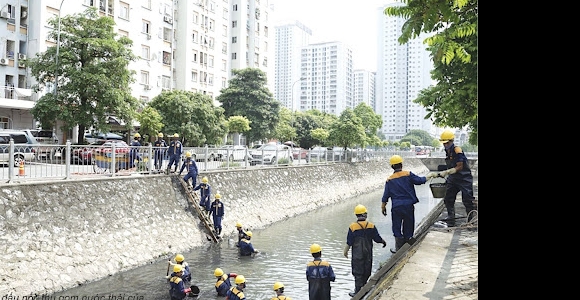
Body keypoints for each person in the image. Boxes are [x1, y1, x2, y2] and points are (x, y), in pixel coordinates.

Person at [381, 155, 438, 253]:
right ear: (401, 164)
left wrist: (383, 207)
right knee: (409, 223)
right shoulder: (408, 174)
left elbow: (386, 196)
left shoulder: (389, 180)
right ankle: (408, 241)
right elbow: (420, 181)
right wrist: (430, 176)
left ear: (392, 167)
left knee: (396, 226)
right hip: (408, 205)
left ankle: (398, 247)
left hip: (397, 207)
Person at [343, 204, 387, 297]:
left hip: (357, 255)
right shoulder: (371, 226)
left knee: (357, 272)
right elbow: (377, 238)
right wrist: (383, 242)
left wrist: (345, 251)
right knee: (367, 271)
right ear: (365, 215)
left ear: (356, 215)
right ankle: (365, 288)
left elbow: (349, 241)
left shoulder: (353, 227)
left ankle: (357, 292)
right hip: (368, 254)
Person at [437, 130, 477, 227]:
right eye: (444, 143)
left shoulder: (457, 150)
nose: (445, 145)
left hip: (464, 178)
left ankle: (471, 220)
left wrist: (447, 172)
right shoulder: (448, 151)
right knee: (448, 198)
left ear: (451, 141)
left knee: (468, 200)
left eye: (447, 143)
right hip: (453, 179)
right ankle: (451, 217)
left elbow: (460, 166)